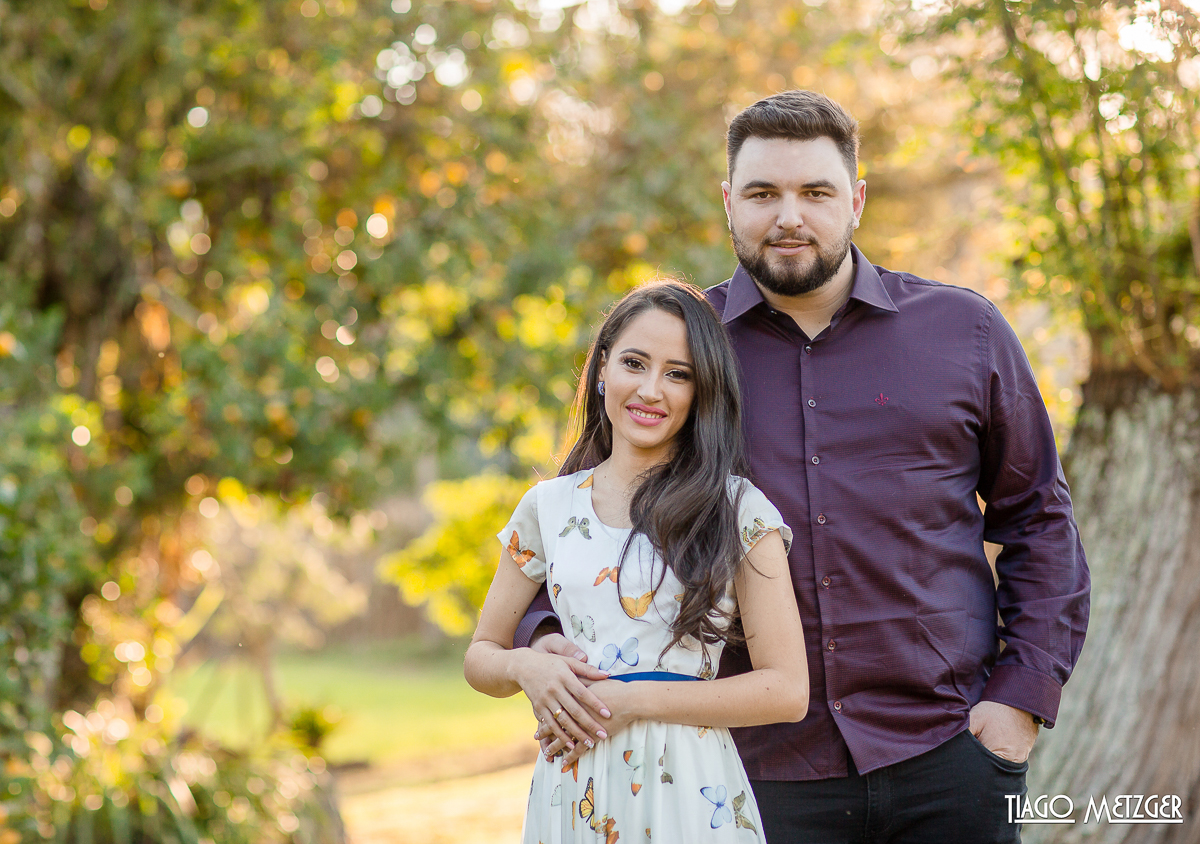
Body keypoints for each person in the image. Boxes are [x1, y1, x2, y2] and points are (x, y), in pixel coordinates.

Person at [514, 91, 1090, 843]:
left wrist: (1019, 702)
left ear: (855, 199)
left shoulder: (965, 332)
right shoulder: (679, 348)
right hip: (745, 776)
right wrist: (543, 637)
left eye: (815, 192)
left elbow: (1039, 518)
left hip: (948, 753)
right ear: (728, 203)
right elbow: (585, 510)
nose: (789, 215)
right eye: (762, 193)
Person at [464, 280, 809, 843]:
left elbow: (787, 691)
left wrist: (629, 700)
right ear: (602, 368)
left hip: (692, 794)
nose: (651, 390)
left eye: (678, 374)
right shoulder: (547, 507)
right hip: (573, 789)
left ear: (702, 392)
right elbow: (481, 657)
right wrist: (528, 668)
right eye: (633, 363)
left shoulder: (738, 509)